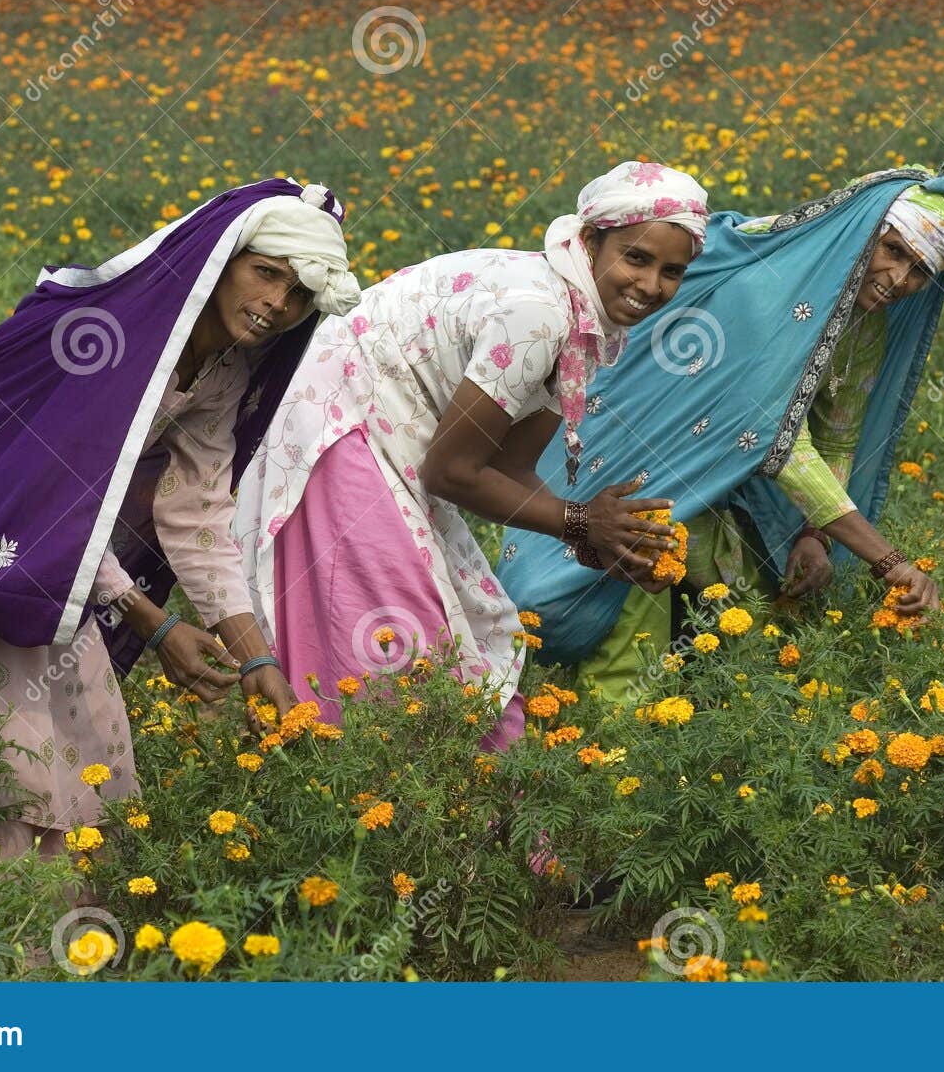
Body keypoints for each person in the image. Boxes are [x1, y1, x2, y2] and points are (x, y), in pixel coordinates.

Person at [0, 178, 361, 859]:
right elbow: (48, 488)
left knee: (93, 745)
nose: (278, 303)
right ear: (221, 259)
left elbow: (196, 510)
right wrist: (149, 620)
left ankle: (67, 938)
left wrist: (254, 657)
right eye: (266, 273)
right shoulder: (118, 337)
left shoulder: (224, 367)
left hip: (55, 556)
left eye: (300, 294)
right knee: (9, 755)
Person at [233, 161, 709, 743]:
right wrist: (581, 520)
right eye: (636, 258)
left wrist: (592, 538)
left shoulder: (586, 319)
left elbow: (507, 468)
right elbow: (452, 472)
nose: (651, 285)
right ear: (589, 239)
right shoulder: (538, 312)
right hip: (337, 421)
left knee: (443, 636)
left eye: (672, 271)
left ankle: (441, 808)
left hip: (391, 434)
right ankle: (368, 796)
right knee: (400, 633)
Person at [497, 167, 944, 699]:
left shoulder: (864, 330)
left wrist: (813, 535)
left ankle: (698, 707)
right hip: (630, 451)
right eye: (893, 251)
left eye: (921, 271)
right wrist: (888, 560)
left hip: (719, 469)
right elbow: (773, 437)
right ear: (859, 229)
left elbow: (836, 438)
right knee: (637, 551)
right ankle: (608, 728)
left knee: (756, 616)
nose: (899, 279)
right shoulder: (769, 284)